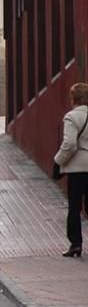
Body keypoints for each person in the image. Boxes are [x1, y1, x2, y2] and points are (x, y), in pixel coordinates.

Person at [53, 82, 88, 258]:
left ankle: (76, 245)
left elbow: (70, 144)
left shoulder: (72, 117)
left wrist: (58, 162)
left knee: (75, 207)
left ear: (73, 98)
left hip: (77, 169)